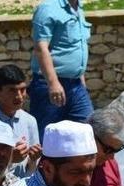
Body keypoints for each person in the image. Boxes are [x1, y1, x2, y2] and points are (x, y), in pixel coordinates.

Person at [29, 0, 94, 139]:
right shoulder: (48, 8)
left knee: (87, 132)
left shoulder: (78, 8)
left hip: (76, 85)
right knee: (48, 136)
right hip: (49, 84)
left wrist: (81, 78)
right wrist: (53, 83)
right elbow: (41, 48)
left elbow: (76, 47)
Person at [0, 64, 41, 178]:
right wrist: (10, 159)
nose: (19, 96)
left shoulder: (30, 121)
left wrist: (33, 158)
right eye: (12, 90)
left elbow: (32, 167)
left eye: (23, 90)